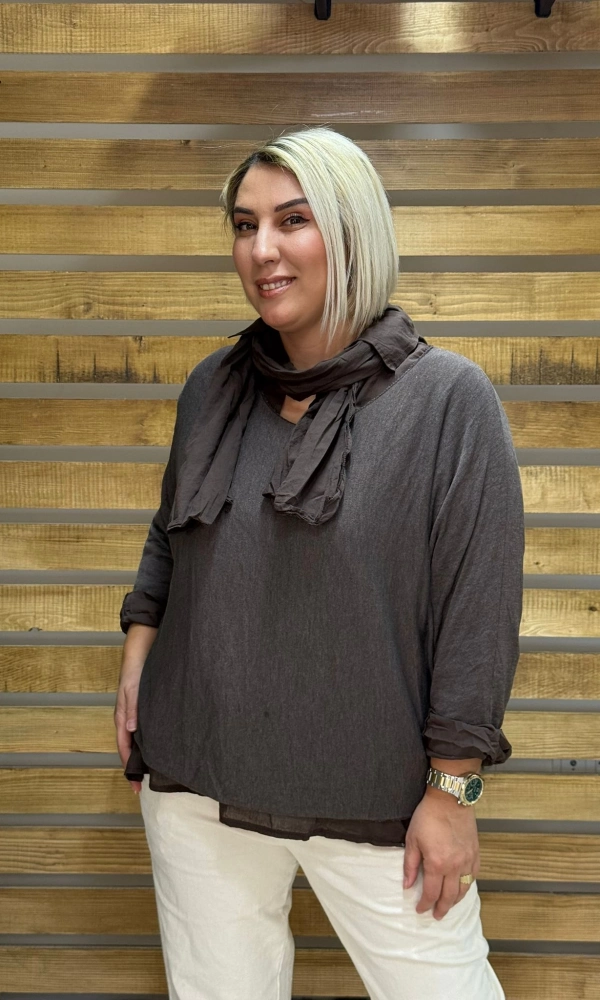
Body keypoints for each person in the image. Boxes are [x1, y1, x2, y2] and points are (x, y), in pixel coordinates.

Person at [114, 126, 524, 1000]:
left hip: (375, 795)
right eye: (245, 225)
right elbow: (170, 534)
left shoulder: (447, 400)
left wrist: (453, 793)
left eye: (292, 220)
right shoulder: (212, 386)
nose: (261, 249)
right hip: (196, 780)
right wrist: (139, 645)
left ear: (351, 230)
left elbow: (478, 609)